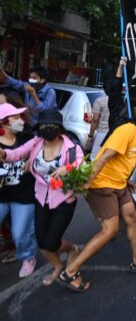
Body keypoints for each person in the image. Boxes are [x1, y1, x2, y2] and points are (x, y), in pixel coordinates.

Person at [58, 101, 136, 292]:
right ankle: (70, 271)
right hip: (102, 186)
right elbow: (106, 155)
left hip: (119, 185)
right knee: (110, 230)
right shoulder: (127, 130)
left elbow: (121, 160)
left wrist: (125, 179)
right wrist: (88, 183)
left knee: (132, 217)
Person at [1, 108, 82, 284]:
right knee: (41, 241)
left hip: (63, 199)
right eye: (44, 125)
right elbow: (17, 153)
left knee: (51, 242)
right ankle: (58, 266)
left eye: (52, 125)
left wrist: (67, 168)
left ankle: (72, 248)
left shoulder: (71, 149)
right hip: (40, 196)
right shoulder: (36, 143)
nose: (47, 129)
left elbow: (81, 165)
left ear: (60, 129)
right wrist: (3, 154)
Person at [0, 104, 37, 277]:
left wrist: (32, 158)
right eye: (15, 118)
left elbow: (44, 147)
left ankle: (28, 257)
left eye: (21, 117)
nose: (20, 121)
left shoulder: (28, 138)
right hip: (1, 196)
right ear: (4, 122)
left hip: (23, 195)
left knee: (20, 233)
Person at [88, 95, 110, 160]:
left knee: (94, 157)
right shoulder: (121, 100)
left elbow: (95, 119)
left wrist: (90, 136)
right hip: (116, 132)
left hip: (102, 132)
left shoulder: (100, 100)